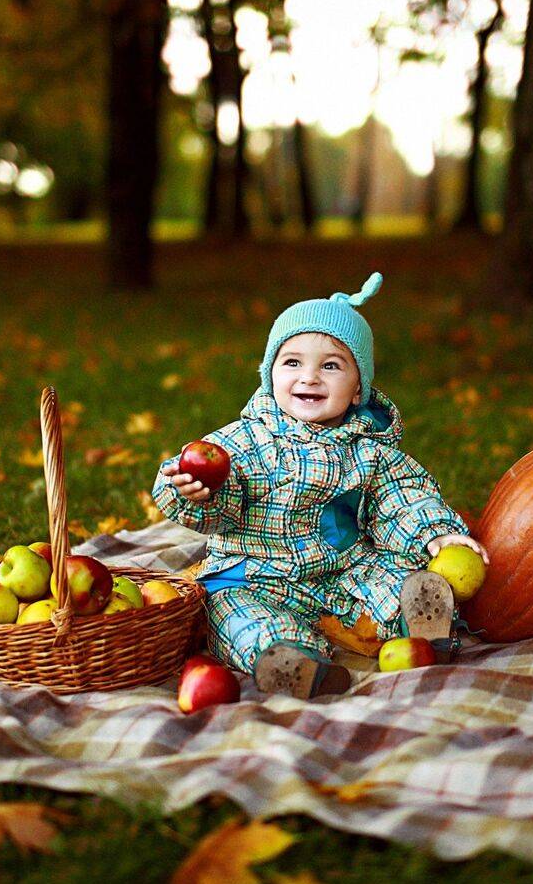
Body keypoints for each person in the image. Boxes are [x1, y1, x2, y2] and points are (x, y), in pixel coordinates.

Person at [151, 272, 486, 698]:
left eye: (330, 365)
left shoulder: (369, 449)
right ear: (268, 373)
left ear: (358, 387)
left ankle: (423, 627)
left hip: (343, 570)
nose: (309, 377)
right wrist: (195, 491)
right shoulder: (243, 440)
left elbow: (403, 497)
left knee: (394, 579)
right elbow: (222, 499)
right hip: (255, 574)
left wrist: (434, 532)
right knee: (234, 615)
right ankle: (290, 660)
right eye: (292, 363)